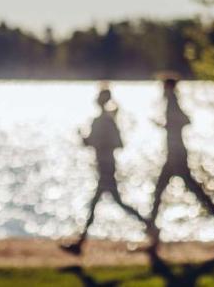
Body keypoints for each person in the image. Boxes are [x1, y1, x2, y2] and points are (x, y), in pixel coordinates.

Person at [62, 86, 150, 255]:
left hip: (106, 167)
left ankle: (148, 225)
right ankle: (80, 243)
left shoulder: (103, 121)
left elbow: (104, 143)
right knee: (110, 202)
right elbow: (112, 143)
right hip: (106, 166)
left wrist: (87, 138)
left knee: (105, 203)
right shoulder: (107, 120)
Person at [148, 74, 214, 242]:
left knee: (171, 189)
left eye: (164, 86)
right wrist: (165, 125)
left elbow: (184, 121)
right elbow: (182, 121)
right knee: (171, 188)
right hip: (174, 152)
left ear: (168, 87)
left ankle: (151, 226)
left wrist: (165, 125)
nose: (162, 90)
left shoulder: (172, 101)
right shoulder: (171, 101)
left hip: (176, 154)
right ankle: (151, 226)